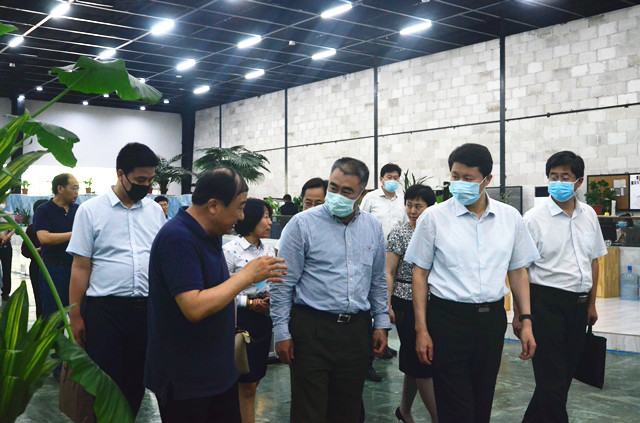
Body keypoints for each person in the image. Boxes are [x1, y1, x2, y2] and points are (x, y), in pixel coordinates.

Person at [405, 143, 539, 423]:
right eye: (455, 176)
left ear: (487, 179)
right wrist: (421, 329)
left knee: (482, 401)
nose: (459, 183)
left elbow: (518, 271)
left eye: (468, 178)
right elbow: (420, 274)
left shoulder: (509, 218)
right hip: (447, 321)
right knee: (455, 407)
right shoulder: (434, 217)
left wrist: (525, 319)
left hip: (491, 322)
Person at [145, 169, 287, 423]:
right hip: (188, 380)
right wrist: (246, 276)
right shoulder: (178, 238)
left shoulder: (209, 235)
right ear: (213, 206)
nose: (241, 216)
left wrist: (253, 277)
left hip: (216, 372)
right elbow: (194, 306)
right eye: (239, 207)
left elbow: (213, 285)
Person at [271, 157, 391, 423]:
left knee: (347, 410)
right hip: (311, 329)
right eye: (333, 188)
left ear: (361, 194)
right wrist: (281, 331)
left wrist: (381, 323)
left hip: (355, 331)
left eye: (347, 191)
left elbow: (377, 281)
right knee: (309, 411)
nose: (337, 195)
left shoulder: (372, 228)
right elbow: (282, 282)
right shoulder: (301, 225)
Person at [67, 143, 165, 415]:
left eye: (150, 180)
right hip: (105, 312)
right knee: (105, 385)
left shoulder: (154, 212)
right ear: (120, 174)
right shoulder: (90, 211)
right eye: (140, 180)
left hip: (145, 311)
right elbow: (80, 267)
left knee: (136, 383)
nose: (146, 186)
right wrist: (75, 316)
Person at [519, 151, 607, 423]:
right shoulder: (533, 218)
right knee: (552, 381)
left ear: (578, 182)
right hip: (545, 304)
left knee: (562, 379)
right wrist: (522, 315)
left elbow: (594, 260)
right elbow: (521, 269)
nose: (558, 182)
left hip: (578, 306)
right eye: (553, 176)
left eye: (565, 177)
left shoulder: (588, 215)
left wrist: (591, 303)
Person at [386, 184, 438, 423]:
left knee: (415, 360)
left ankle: (404, 410)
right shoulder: (399, 234)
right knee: (421, 363)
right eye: (409, 205)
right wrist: (387, 304)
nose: (413, 211)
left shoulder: (436, 231)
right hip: (405, 301)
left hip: (433, 302)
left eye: (419, 206)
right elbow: (389, 272)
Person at [223, 198, 276, 423]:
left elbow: (273, 282)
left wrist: (271, 299)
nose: (270, 222)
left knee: (255, 380)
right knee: (246, 386)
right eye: (266, 217)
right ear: (251, 218)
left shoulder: (268, 250)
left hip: (262, 320)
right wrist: (249, 303)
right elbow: (221, 291)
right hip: (240, 322)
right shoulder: (230, 251)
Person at [33, 173, 79, 316]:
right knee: (54, 316)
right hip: (53, 269)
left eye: (78, 189)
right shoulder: (44, 210)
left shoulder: (78, 210)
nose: (77, 192)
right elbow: (44, 238)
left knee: (78, 313)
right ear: (60, 188)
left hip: (76, 268)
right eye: (74, 188)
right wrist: (75, 234)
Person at [360, 163, 407, 240]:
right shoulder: (370, 198)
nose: (392, 180)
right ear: (381, 179)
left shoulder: (403, 200)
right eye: (389, 177)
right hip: (374, 244)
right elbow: (361, 220)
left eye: (395, 178)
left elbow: (406, 224)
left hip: (397, 245)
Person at [21, 199, 49, 318]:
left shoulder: (55, 227)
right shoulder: (32, 228)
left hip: (53, 265)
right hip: (37, 266)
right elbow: (25, 251)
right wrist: (40, 250)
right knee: (40, 300)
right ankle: (41, 326)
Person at [0, 204, 15, 302]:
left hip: (6, 243)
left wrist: (7, 236)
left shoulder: (9, 215)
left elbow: (14, 227)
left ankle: (6, 292)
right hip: (3, 239)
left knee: (7, 268)